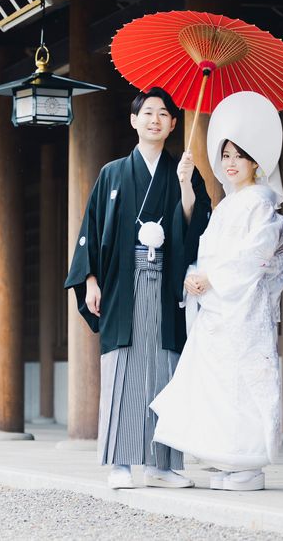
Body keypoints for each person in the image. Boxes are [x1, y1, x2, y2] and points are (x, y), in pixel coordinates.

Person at [65, 87, 211, 490]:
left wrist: (185, 186)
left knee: (165, 368)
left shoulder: (184, 171)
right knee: (123, 369)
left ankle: (162, 465)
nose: (155, 119)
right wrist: (90, 279)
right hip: (122, 285)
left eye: (164, 114)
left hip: (167, 284)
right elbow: (90, 232)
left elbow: (196, 226)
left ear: (174, 124)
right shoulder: (112, 173)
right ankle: (121, 463)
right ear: (134, 120)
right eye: (147, 112)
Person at [150, 91, 283, 492]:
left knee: (241, 383)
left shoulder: (260, 202)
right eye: (225, 155)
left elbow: (257, 254)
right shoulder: (228, 204)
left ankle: (249, 465)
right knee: (216, 382)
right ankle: (229, 461)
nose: (230, 163)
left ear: (255, 163)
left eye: (239, 156)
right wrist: (194, 275)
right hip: (217, 307)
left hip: (243, 309)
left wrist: (214, 278)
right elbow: (209, 251)